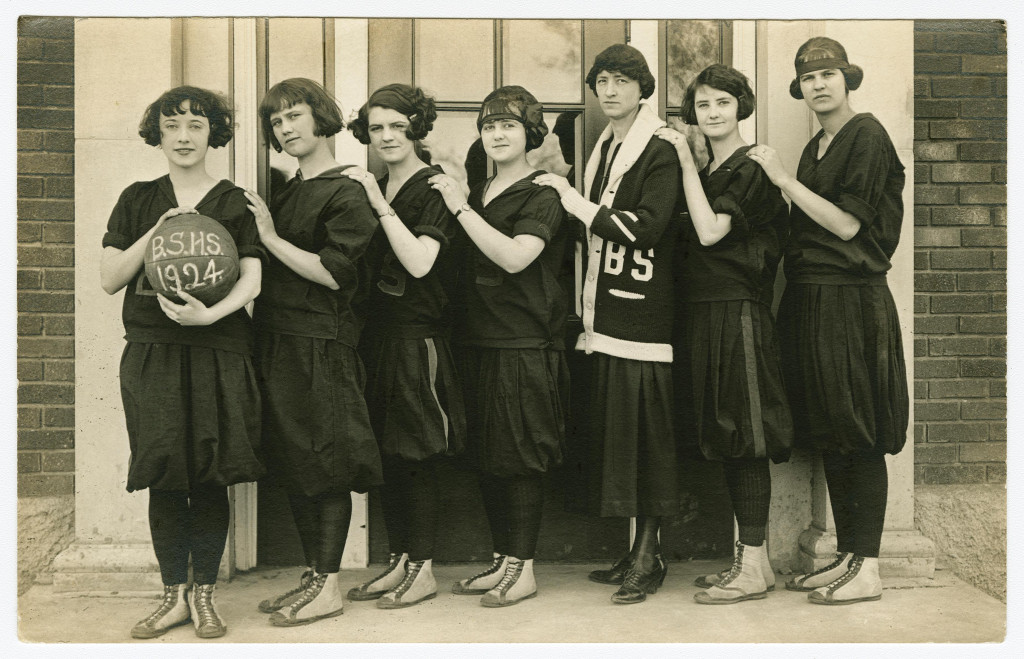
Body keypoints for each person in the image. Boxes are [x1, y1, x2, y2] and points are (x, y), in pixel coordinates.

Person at [748, 37, 908, 605]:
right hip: (814, 300)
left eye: (828, 75)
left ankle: (867, 566)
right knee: (836, 432)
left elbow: (845, 227)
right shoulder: (818, 144)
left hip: (851, 301)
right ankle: (848, 556)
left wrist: (784, 183)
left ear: (848, 79)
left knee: (858, 429)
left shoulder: (866, 134)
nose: (818, 85)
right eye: (808, 78)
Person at [101, 86, 266, 640]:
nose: (185, 136)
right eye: (173, 126)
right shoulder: (137, 197)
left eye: (198, 125)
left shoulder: (236, 199)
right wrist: (162, 225)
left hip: (218, 346)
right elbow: (109, 278)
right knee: (165, 472)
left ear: (213, 133)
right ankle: (172, 595)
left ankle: (205, 597)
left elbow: (253, 276)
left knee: (211, 471)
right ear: (159, 135)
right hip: (153, 347)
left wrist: (211, 314)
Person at [535, 44, 683, 605]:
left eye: (622, 81)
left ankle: (651, 555)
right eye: (602, 81)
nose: (611, 91)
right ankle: (636, 550)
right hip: (606, 313)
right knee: (623, 440)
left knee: (648, 442)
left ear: (642, 88)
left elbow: (644, 228)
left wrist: (569, 197)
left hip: (644, 313)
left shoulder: (661, 147)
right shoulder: (605, 144)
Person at [245, 77, 382, 625]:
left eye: (295, 115)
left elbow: (332, 273)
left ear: (321, 117)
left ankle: (328, 588)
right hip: (279, 341)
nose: (285, 127)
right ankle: (313, 578)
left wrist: (271, 237)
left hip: (322, 344)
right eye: (276, 122)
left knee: (325, 465)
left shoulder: (347, 189)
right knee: (298, 463)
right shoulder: (292, 187)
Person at [654, 64, 793, 604]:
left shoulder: (751, 167)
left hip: (738, 311)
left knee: (745, 437)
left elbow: (712, 232)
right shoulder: (714, 170)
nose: (712, 114)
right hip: (703, 313)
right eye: (704, 105)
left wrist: (685, 159)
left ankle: (754, 565)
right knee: (725, 433)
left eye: (723, 104)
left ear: (742, 107)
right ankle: (749, 562)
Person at [428, 86, 569, 608]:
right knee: (489, 457)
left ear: (530, 134)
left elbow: (515, 257)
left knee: (521, 457)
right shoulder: (481, 190)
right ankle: (504, 560)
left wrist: (460, 208)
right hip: (477, 340)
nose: (497, 135)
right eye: (489, 127)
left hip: (523, 342)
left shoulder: (544, 191)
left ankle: (525, 567)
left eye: (508, 126)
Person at [343, 83, 466, 609]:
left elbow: (420, 262)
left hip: (419, 339)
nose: (387, 136)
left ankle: (424, 568)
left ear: (417, 126)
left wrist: (375, 202)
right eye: (376, 128)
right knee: (389, 456)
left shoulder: (434, 186)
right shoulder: (379, 185)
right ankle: (400, 561)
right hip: (378, 339)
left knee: (417, 456)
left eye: (397, 125)